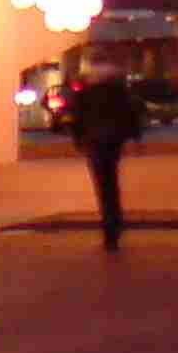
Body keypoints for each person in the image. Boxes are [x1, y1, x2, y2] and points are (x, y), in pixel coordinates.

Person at [68, 56, 143, 252]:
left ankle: (110, 227)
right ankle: (115, 223)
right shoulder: (118, 93)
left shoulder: (86, 94)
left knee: (103, 184)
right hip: (113, 141)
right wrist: (135, 138)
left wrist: (78, 140)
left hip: (94, 142)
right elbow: (131, 114)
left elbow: (77, 118)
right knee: (112, 181)